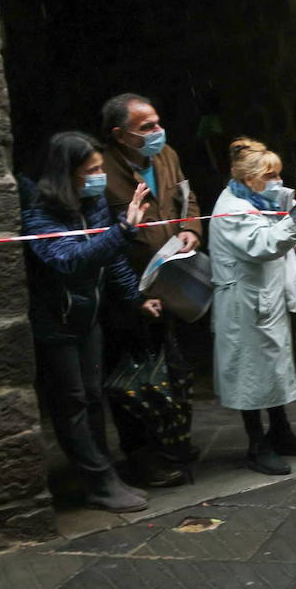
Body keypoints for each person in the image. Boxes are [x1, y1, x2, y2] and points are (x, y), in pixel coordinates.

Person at [20, 132, 162, 512]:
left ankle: (104, 474)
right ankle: (99, 483)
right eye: (92, 170)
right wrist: (123, 231)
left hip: (88, 315)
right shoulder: (39, 208)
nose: (100, 176)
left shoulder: (93, 200)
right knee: (72, 403)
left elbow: (110, 257)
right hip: (58, 321)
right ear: (67, 174)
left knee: (93, 396)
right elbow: (68, 260)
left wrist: (134, 298)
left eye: (101, 167)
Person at [100, 93, 203, 487]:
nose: (158, 132)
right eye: (146, 128)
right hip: (128, 290)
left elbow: (187, 196)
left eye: (158, 123)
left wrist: (191, 228)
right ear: (120, 135)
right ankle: (141, 457)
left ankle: (171, 443)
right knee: (133, 377)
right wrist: (133, 296)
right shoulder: (102, 169)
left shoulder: (166, 155)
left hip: (171, 280)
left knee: (170, 369)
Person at [209, 137, 296, 475]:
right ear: (246, 179)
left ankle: (280, 430)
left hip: (265, 300)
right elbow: (263, 244)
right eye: (269, 176)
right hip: (243, 305)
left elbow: (279, 203)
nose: (275, 182)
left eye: (277, 175)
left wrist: (295, 202)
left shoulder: (255, 198)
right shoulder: (232, 210)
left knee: (273, 367)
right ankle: (257, 444)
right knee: (249, 373)